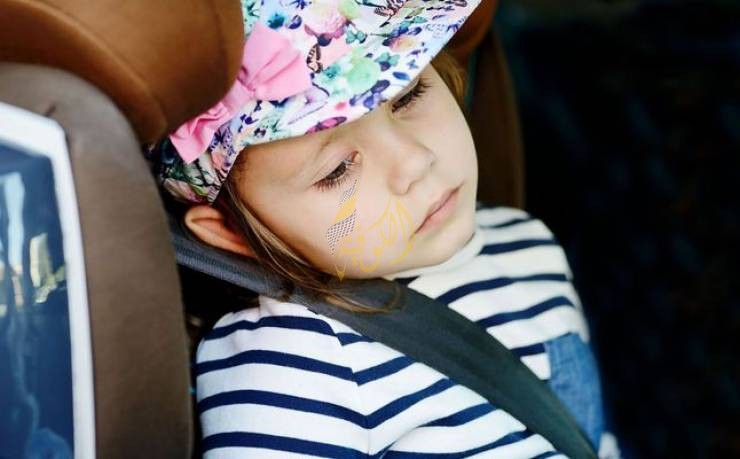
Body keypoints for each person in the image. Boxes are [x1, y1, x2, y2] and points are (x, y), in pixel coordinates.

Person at [145, 0, 622, 456]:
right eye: (336, 171)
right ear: (230, 233)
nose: (415, 161)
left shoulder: (527, 244)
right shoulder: (293, 358)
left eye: (410, 94)